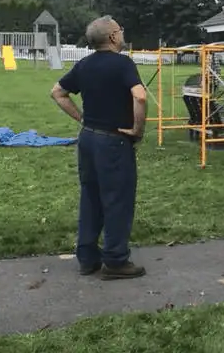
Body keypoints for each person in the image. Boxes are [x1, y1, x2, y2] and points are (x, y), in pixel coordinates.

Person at [50, 15, 147, 280]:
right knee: (117, 199)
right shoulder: (122, 64)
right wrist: (137, 129)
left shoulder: (84, 64)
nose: (122, 33)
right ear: (113, 37)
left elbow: (57, 92)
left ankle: (87, 258)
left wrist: (82, 119)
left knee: (90, 197)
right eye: (120, 30)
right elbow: (139, 95)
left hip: (88, 140)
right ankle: (115, 261)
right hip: (113, 142)